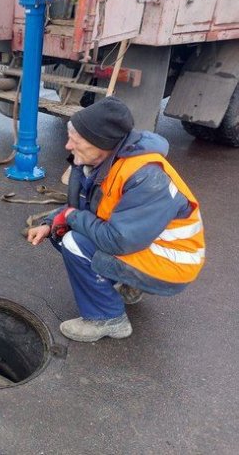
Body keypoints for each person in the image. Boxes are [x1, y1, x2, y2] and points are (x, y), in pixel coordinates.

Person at [27, 97, 205, 342]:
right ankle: (129, 285)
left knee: (73, 242)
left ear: (100, 143)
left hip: (173, 263)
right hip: (148, 245)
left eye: (75, 141)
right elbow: (80, 206)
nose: (68, 146)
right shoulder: (103, 162)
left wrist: (70, 217)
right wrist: (50, 223)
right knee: (61, 231)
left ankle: (108, 319)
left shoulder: (146, 177)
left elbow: (118, 241)